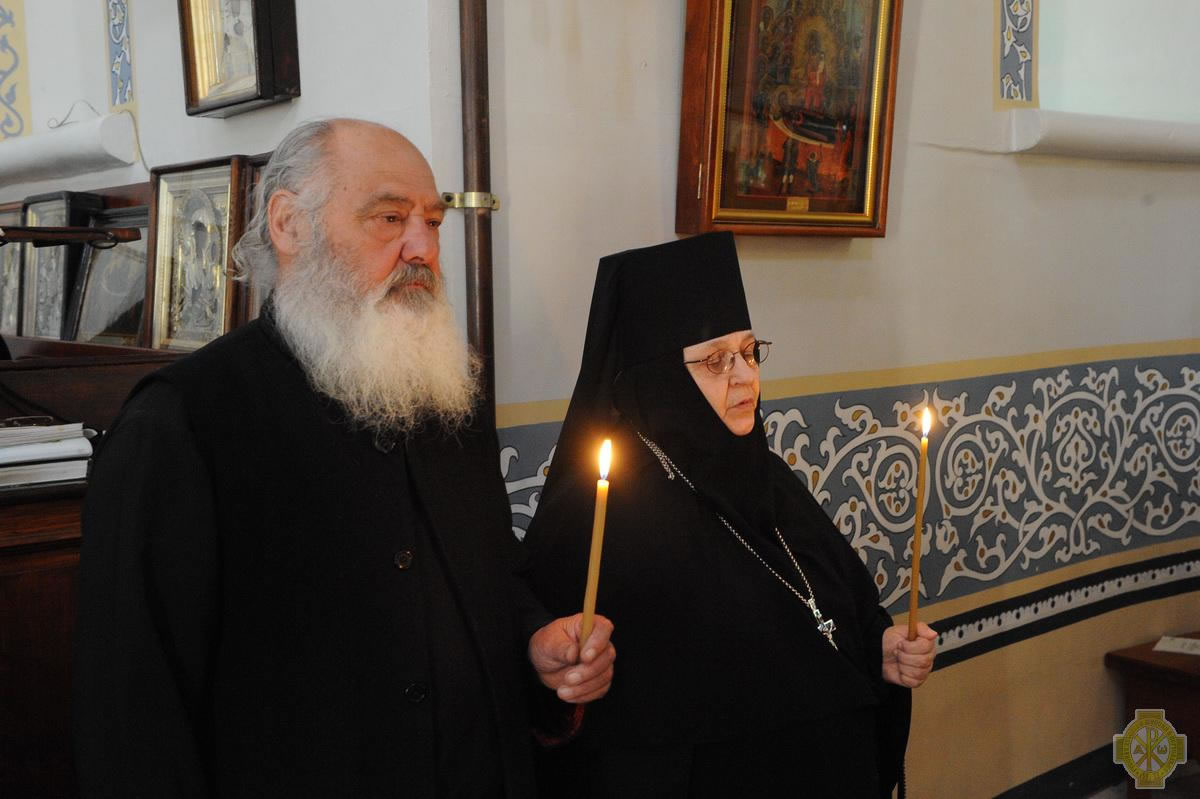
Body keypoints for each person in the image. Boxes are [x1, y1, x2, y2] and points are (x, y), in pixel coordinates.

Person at [73, 118, 615, 798]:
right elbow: (133, 712)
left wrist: (535, 640)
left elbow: (490, 578)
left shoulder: (446, 391)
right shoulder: (182, 420)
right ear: (289, 225)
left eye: (432, 222)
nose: (423, 248)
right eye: (389, 218)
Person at [522, 232, 937, 798]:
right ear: (660, 379)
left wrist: (879, 649)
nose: (745, 378)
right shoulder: (597, 512)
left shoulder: (766, 476)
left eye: (749, 351)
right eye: (715, 361)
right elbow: (583, 717)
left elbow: (834, 606)